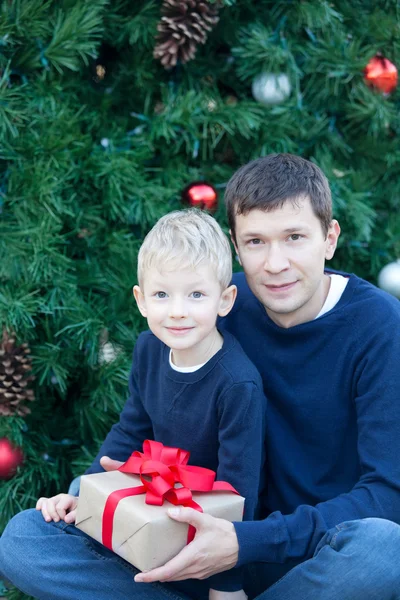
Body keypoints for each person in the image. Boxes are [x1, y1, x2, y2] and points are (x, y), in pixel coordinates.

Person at [131, 154, 400, 599]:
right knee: (30, 538)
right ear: (236, 247)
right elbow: (149, 415)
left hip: (316, 558)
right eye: (256, 242)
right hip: (200, 553)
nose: (276, 263)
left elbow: (388, 495)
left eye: (295, 237)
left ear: (329, 238)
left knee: (383, 550)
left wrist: (244, 545)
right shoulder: (214, 306)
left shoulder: (380, 329)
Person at [0, 209, 266, 600]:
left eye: (196, 294)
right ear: (141, 300)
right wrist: (83, 496)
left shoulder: (238, 383)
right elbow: (130, 429)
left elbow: (239, 491)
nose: (177, 311)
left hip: (204, 540)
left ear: (224, 300)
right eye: (162, 294)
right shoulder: (149, 349)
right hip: (148, 512)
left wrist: (225, 587)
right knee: (22, 537)